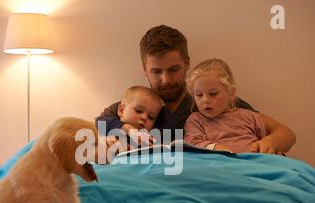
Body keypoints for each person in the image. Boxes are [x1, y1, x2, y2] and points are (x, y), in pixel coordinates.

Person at [95, 24, 296, 154]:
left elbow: (285, 134)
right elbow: (93, 128)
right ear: (145, 70)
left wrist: (269, 143)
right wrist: (123, 131)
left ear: (187, 63)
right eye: (156, 71)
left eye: (173, 69)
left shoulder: (209, 99)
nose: (166, 79)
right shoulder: (135, 105)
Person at [184, 58, 268, 153]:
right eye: (199, 95)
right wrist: (215, 147)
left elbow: (265, 143)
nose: (205, 100)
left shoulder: (250, 116)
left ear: (231, 93)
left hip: (254, 161)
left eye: (213, 93)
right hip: (220, 162)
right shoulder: (196, 120)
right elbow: (193, 142)